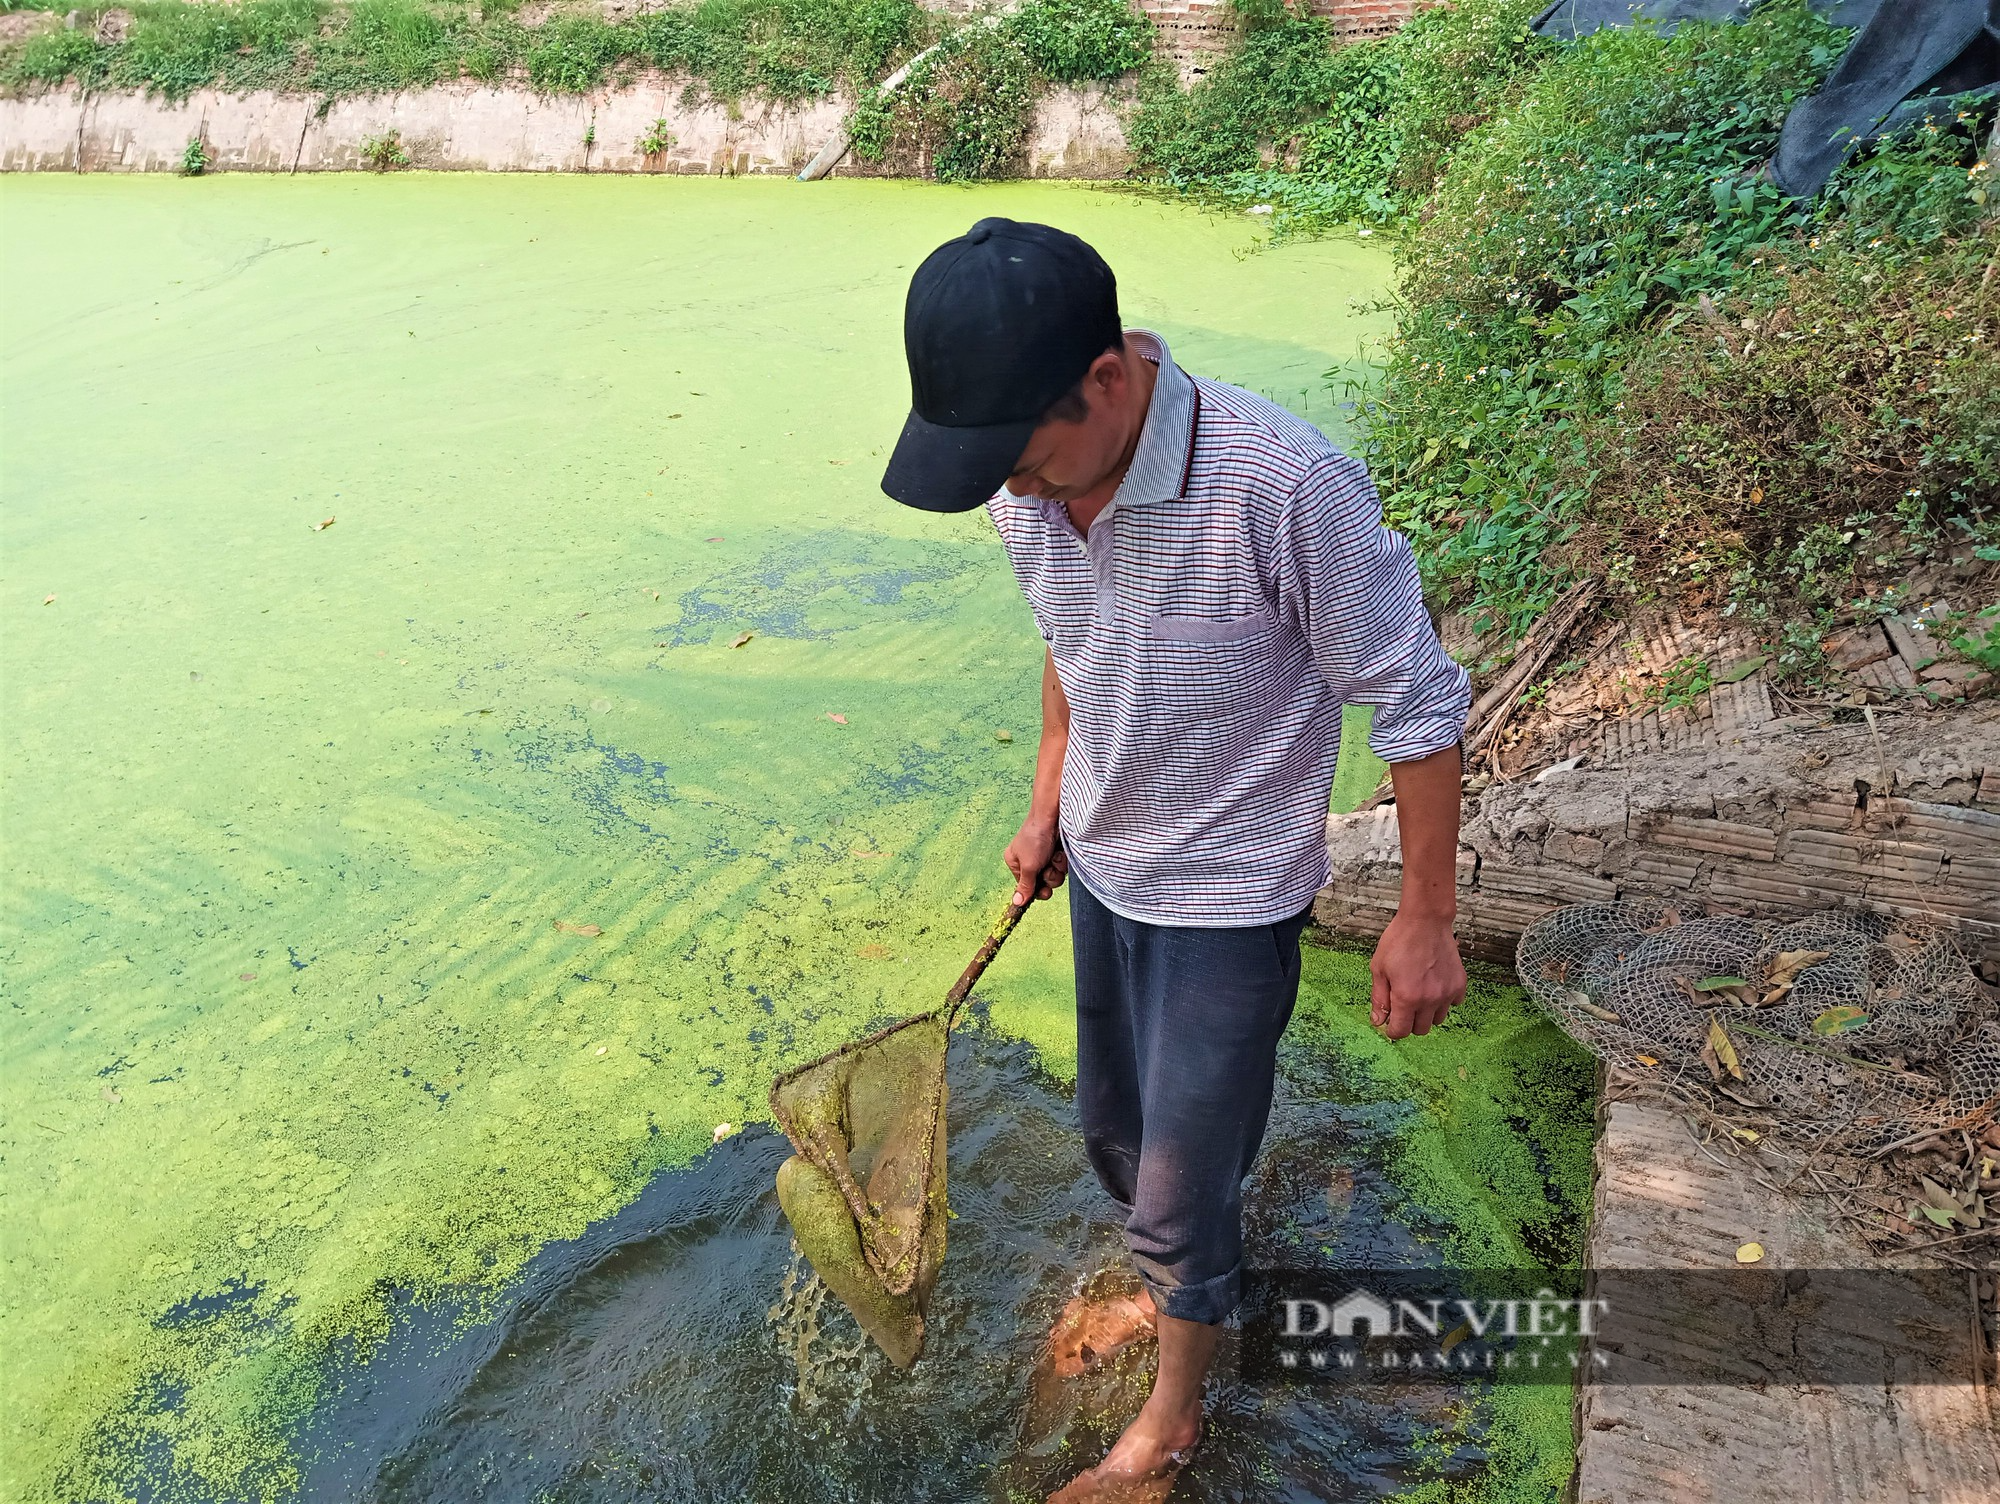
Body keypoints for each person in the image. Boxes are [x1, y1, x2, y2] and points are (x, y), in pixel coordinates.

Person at [880, 218, 1471, 1502]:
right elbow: (1068, 640)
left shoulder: (1282, 486)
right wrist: (1048, 800)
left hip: (1228, 898)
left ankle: (1172, 1417)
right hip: (1101, 866)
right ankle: (1182, 1274)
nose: (1014, 491)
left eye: (1023, 458)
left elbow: (1416, 704)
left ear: (1107, 379)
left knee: (1176, 1186)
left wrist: (1425, 916)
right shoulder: (1024, 488)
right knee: (1118, 1136)